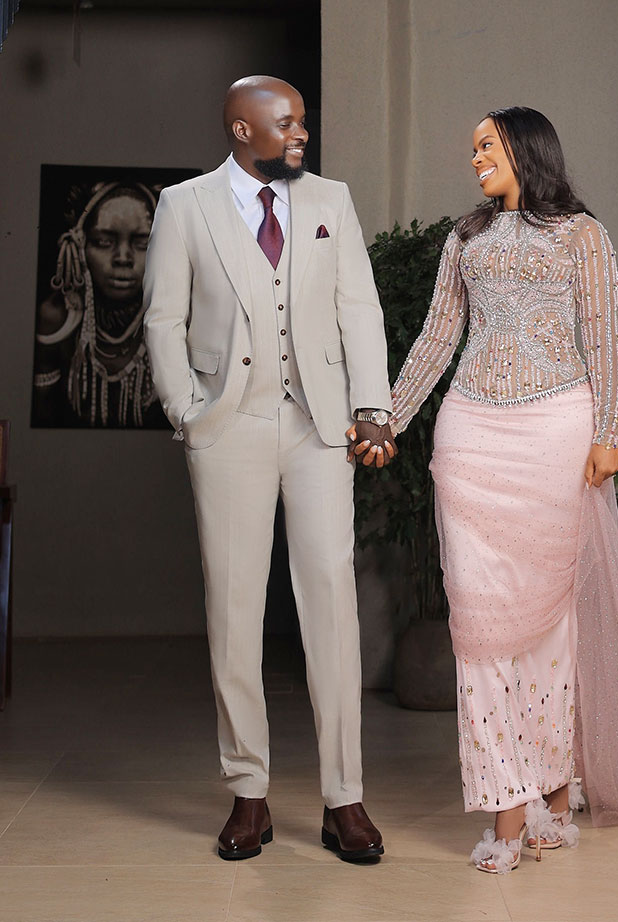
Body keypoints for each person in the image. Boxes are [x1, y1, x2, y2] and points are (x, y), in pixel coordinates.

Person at [365, 106, 618, 874]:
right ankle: (506, 812)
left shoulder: (584, 235)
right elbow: (438, 336)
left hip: (556, 432)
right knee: (479, 628)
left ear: (525, 148)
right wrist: (390, 417)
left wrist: (610, 432)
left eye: (486, 144)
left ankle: (553, 798)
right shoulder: (465, 239)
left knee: (553, 627)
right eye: (473, 148)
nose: (475, 158)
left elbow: (602, 337)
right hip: (470, 436)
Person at [143, 76, 397, 863]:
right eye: (285, 123)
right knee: (234, 608)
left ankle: (344, 798)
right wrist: (189, 413)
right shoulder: (185, 206)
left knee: (332, 601)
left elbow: (359, 308)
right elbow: (163, 317)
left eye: (302, 121)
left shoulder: (331, 200)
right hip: (229, 427)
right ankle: (248, 792)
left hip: (320, 426)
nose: (300, 134)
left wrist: (372, 406)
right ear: (240, 129)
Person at [34, 182, 165, 427]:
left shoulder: (183, 323)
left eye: (142, 243)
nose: (123, 258)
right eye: (104, 242)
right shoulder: (57, 318)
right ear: (79, 246)